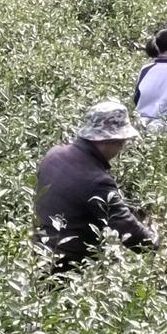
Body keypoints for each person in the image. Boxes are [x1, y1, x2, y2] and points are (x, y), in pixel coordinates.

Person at [34, 99, 155, 274]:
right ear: (108, 140)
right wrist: (156, 248)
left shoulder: (53, 154)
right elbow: (126, 228)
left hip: (40, 254)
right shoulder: (96, 180)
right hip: (69, 268)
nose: (120, 149)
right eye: (121, 143)